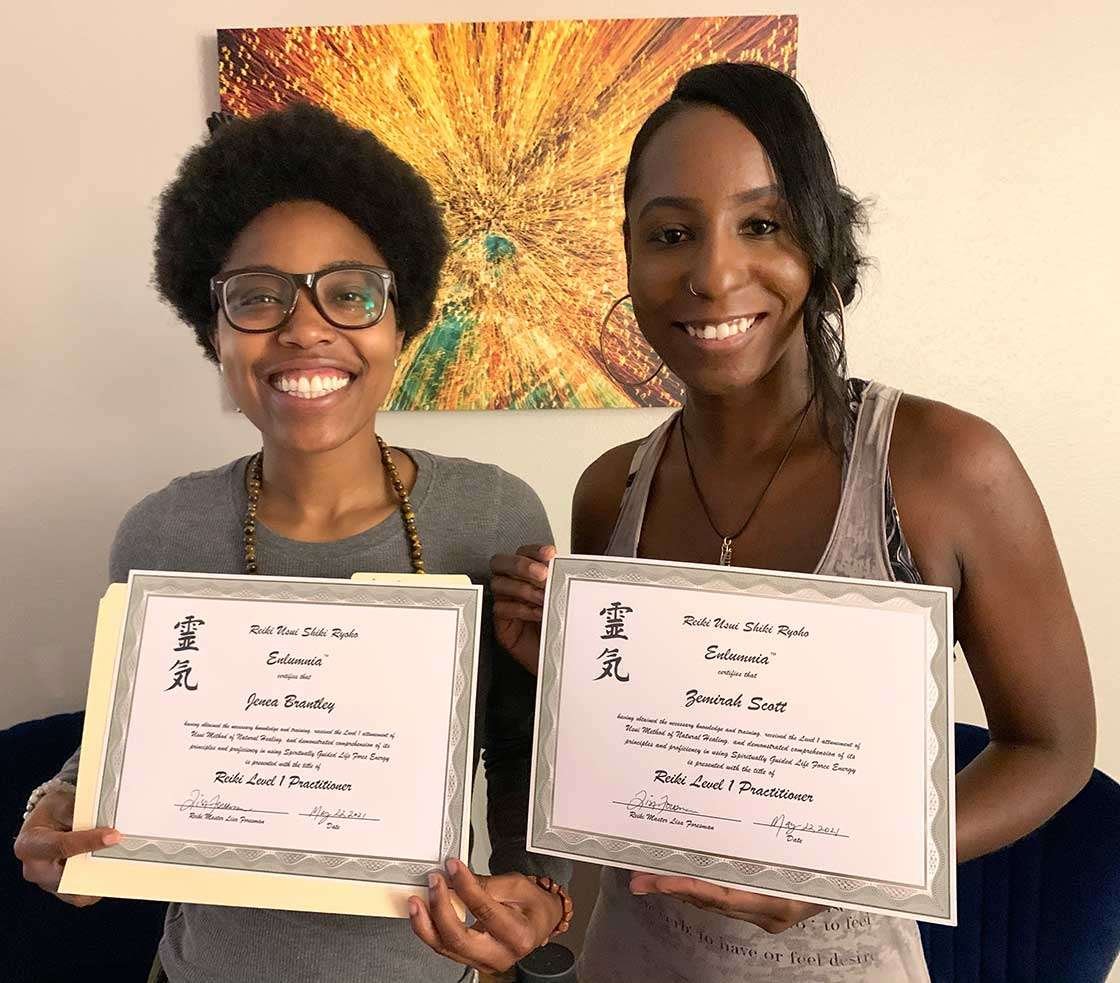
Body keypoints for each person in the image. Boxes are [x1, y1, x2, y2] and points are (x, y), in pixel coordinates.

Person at [490, 62, 1094, 981]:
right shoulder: (611, 489)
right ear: (630, 253)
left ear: (822, 236)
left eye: (762, 224)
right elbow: (658, 758)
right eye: (671, 234)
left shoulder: (944, 468)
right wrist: (564, 672)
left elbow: (1053, 748)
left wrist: (852, 868)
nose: (713, 272)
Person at [14, 103, 569, 983]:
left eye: (349, 293)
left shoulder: (494, 514)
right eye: (259, 296)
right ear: (214, 331)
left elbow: (523, 748)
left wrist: (540, 889)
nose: (306, 328)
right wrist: (54, 805)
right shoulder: (161, 531)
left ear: (401, 321)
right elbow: (125, 738)